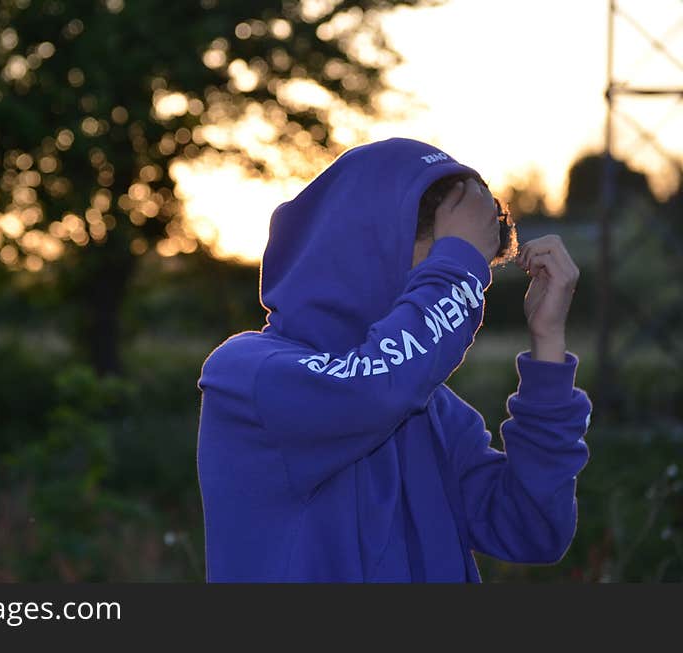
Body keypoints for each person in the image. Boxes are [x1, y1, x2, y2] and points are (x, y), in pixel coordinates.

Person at [195, 137, 592, 582]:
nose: (447, 290)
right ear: (370, 248)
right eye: (437, 270)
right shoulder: (249, 378)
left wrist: (548, 342)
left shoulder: (431, 411)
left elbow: (533, 531)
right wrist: (459, 264)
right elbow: (370, 392)